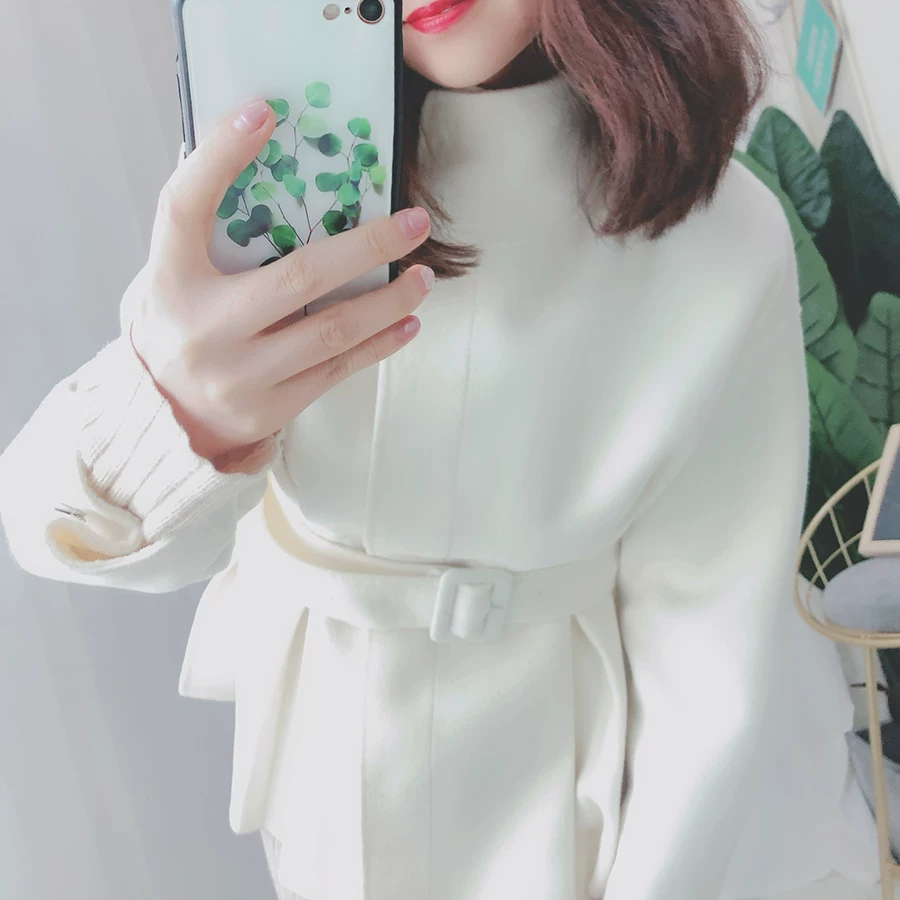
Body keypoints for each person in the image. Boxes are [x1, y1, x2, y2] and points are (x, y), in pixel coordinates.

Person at [0, 0, 818, 898]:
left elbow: (708, 663)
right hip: (318, 785)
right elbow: (57, 531)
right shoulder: (290, 163)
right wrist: (179, 417)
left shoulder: (728, 241)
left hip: (558, 813)